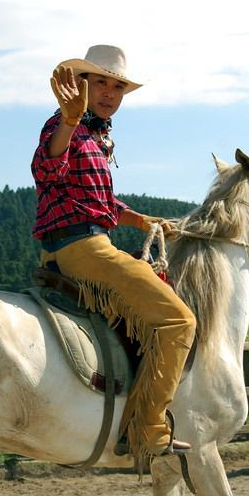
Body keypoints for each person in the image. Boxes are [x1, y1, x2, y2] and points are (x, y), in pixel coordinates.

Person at [31, 45, 196, 468]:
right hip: (83, 249)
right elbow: (47, 170)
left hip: (81, 245)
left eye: (117, 85)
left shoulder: (95, 137)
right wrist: (68, 120)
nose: (109, 92)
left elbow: (100, 201)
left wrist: (142, 221)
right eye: (100, 82)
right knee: (180, 321)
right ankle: (149, 428)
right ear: (80, 85)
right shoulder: (62, 126)